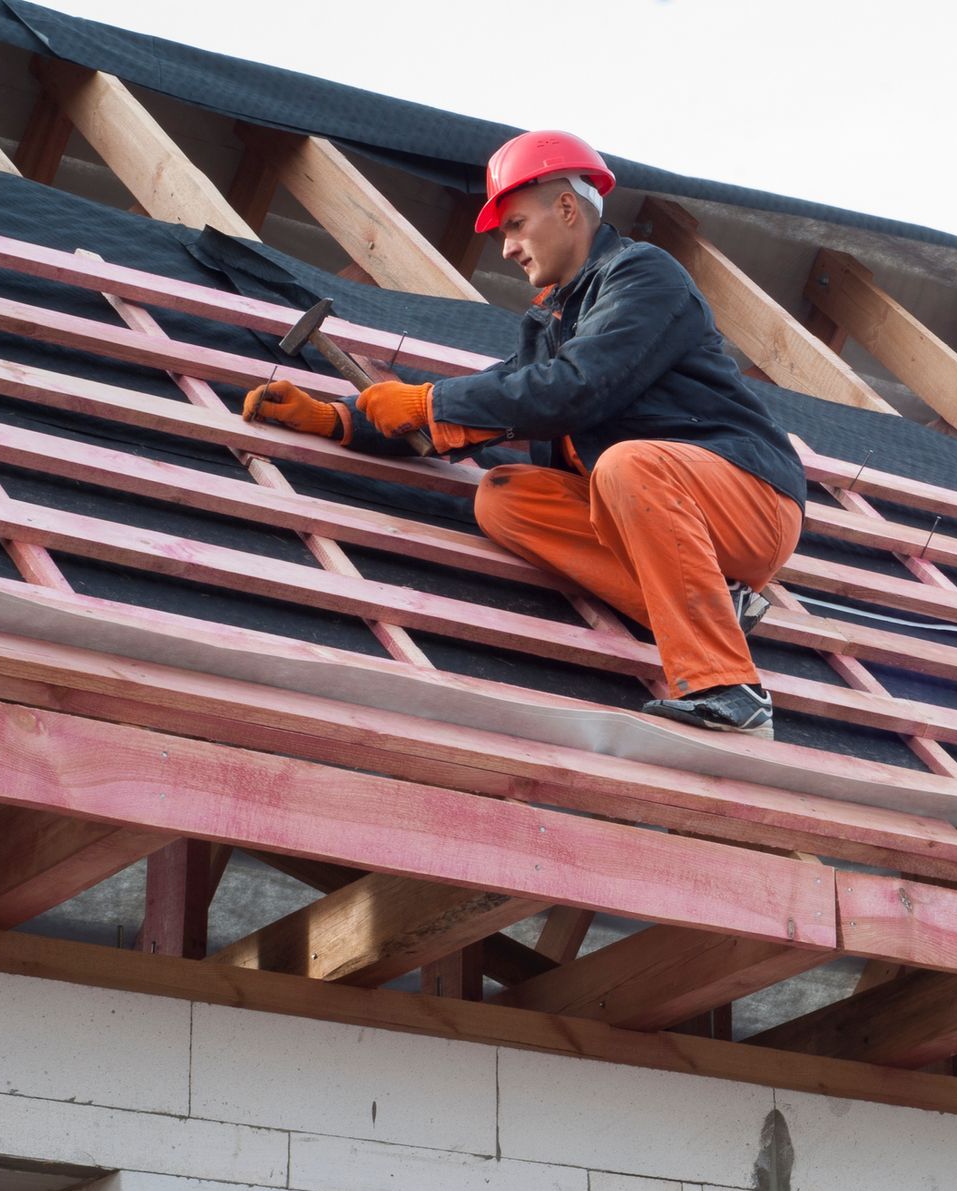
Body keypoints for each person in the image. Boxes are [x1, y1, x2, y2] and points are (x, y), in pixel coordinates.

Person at [241, 130, 804, 738]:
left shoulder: (642, 275)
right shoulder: (554, 323)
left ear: (566, 208)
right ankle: (718, 608)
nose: (506, 248)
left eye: (514, 224)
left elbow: (577, 387)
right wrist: (340, 419)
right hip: (657, 518)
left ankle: (729, 691)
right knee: (504, 495)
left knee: (627, 464)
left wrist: (427, 399)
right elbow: (493, 398)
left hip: (747, 496)